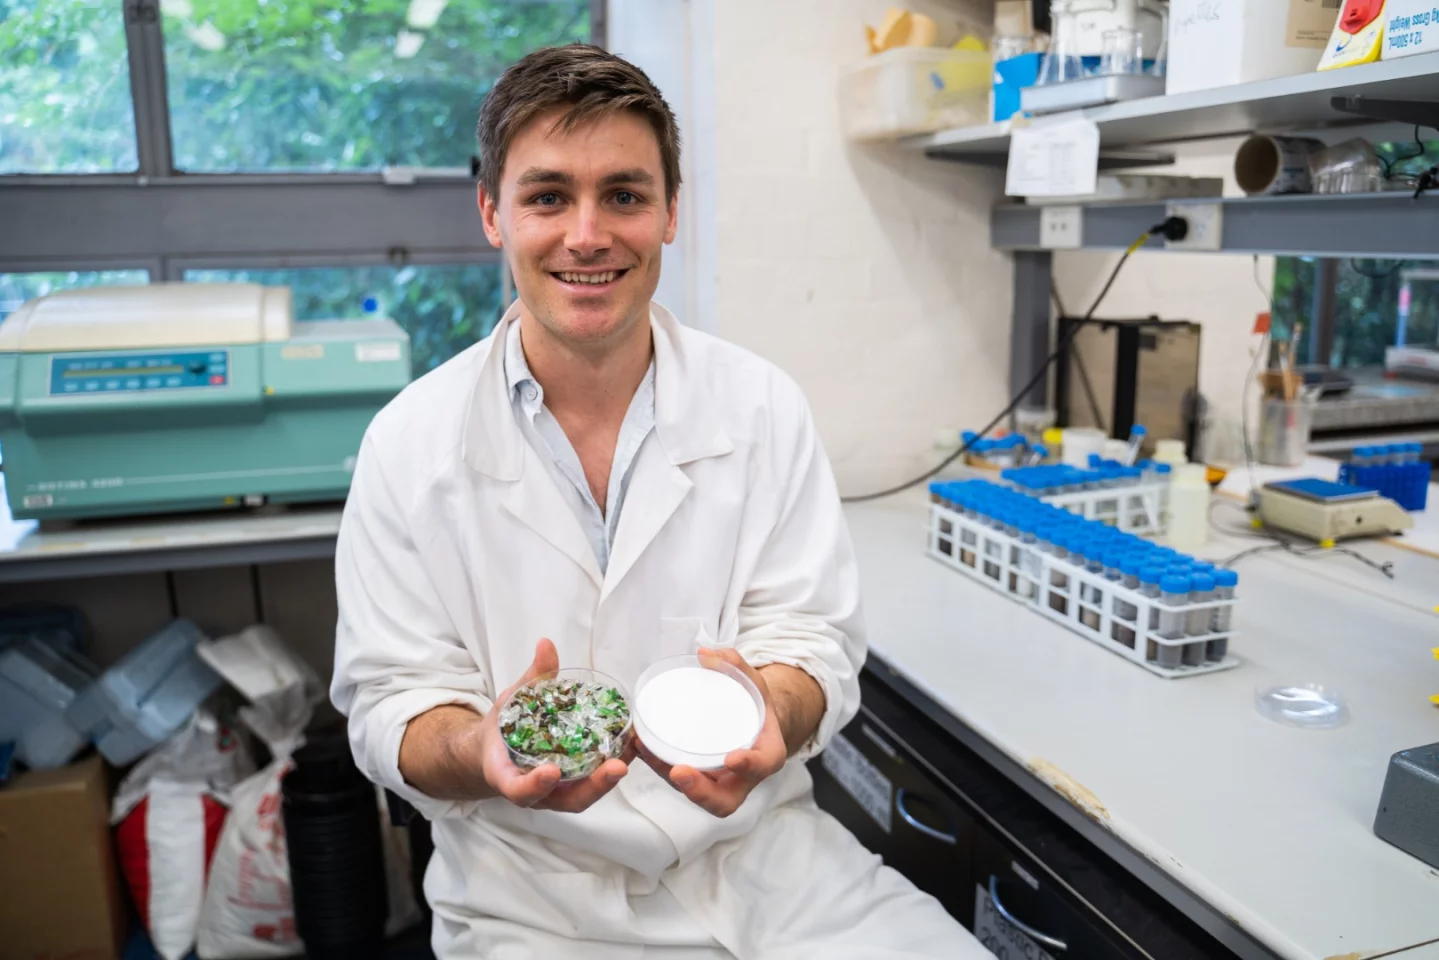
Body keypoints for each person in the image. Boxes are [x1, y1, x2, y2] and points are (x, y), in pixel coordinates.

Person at [331, 43, 988, 959]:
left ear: (670, 212)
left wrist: (773, 713)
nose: (588, 234)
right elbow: (391, 701)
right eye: (548, 195)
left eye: (625, 195)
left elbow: (811, 642)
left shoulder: (759, 407)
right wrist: (482, 748)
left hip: (767, 867)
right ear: (492, 212)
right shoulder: (410, 443)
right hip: (531, 894)